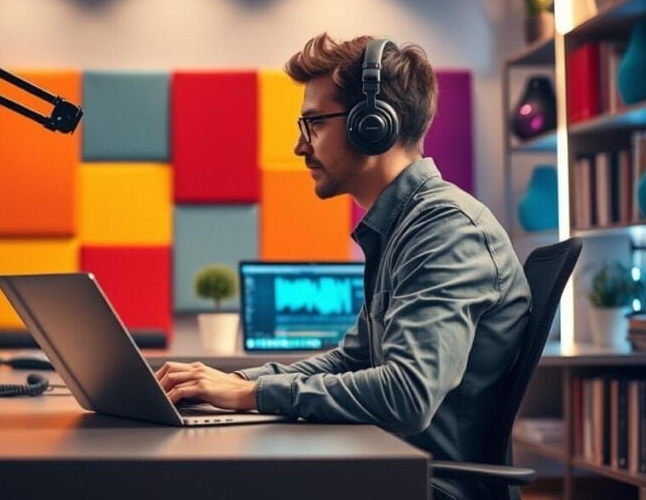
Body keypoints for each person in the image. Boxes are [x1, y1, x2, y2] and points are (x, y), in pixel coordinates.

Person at [156, 34, 532, 500]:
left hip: (429, 486)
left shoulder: (446, 230)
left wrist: (251, 396)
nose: (299, 146)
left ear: (372, 124)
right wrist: (235, 382)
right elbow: (350, 359)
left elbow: (407, 394)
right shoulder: (400, 227)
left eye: (313, 123)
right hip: (388, 466)